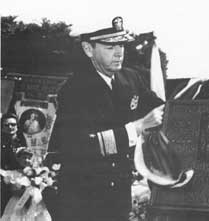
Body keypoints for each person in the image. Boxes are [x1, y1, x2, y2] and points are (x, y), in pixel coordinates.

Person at [48, 17, 165, 221]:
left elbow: (160, 107)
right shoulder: (74, 90)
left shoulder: (130, 78)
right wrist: (136, 128)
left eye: (121, 44)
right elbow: (79, 145)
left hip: (119, 194)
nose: (119, 52)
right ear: (88, 49)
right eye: (110, 46)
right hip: (83, 198)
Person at [1, 113, 27, 215]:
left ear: (17, 126)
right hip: (4, 182)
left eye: (13, 124)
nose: (10, 127)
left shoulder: (24, 141)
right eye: (6, 125)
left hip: (22, 181)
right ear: (1, 127)